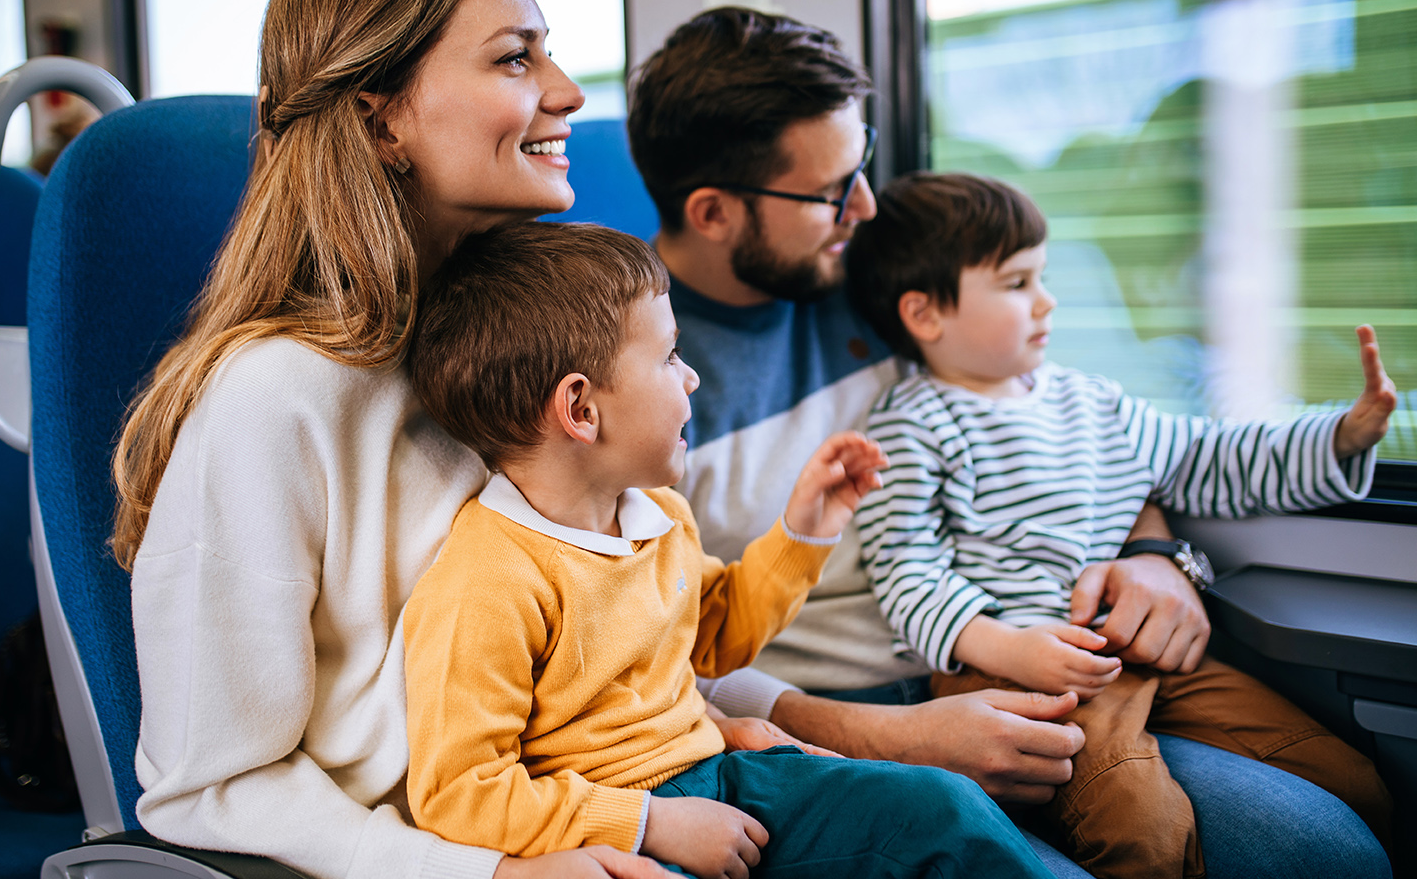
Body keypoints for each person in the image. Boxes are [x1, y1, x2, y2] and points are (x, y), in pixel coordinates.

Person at [626, 5, 1394, 878]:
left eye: (863, 164)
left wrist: (1156, 557)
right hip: (835, 719)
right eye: (835, 190)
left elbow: (1058, 423)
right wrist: (894, 734)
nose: (867, 206)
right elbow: (652, 655)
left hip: (1036, 651)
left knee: (1329, 847)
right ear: (715, 212)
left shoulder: (888, 274)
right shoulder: (638, 372)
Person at [111, 0, 675, 879]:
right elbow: (211, 787)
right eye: (514, 57)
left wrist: (813, 729)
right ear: (382, 122)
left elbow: (626, 628)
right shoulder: (275, 402)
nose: (569, 93)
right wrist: (489, 877)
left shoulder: (529, 356)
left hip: (623, 797)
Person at [401, 220, 1052, 879]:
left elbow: (715, 638)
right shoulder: (488, 579)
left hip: (723, 771)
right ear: (582, 409)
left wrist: (803, 533)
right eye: (669, 357)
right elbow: (460, 793)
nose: (691, 380)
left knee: (942, 806)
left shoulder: (658, 515)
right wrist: (650, 825)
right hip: (614, 821)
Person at [844, 170, 1394, 879]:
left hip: (1132, 650)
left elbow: (1208, 458)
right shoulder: (912, 425)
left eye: (1040, 277)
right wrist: (1012, 650)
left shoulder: (1094, 403)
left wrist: (1341, 436)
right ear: (925, 316)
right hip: (1012, 677)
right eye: (1017, 285)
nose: (1047, 302)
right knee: (1144, 829)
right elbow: (906, 571)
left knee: (1347, 776)